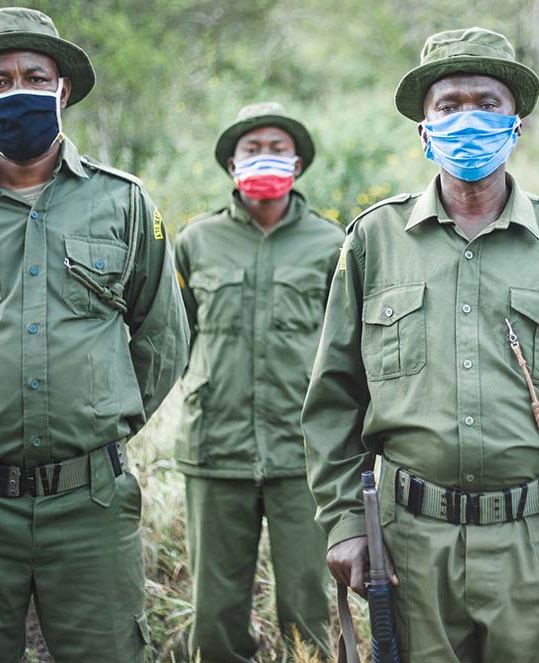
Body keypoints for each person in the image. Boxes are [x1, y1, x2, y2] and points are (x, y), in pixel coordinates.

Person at [301, 27, 539, 662]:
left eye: (488, 103)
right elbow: (333, 397)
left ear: (516, 125)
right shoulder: (375, 240)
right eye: (448, 105)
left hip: (536, 540)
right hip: (409, 547)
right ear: (423, 129)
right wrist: (345, 520)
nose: (468, 120)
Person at [0, 6, 189, 663]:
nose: (15, 90)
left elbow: (163, 336)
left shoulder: (124, 203)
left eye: (33, 75)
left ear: (62, 90)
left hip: (89, 501)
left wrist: (95, 417)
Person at [174, 102, 341, 661]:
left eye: (277, 148)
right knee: (214, 610)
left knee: (307, 605)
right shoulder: (195, 243)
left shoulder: (332, 245)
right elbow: (172, 338)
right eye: (252, 149)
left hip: (303, 457)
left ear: (298, 163)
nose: (265, 157)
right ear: (230, 164)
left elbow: (350, 354)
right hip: (215, 448)